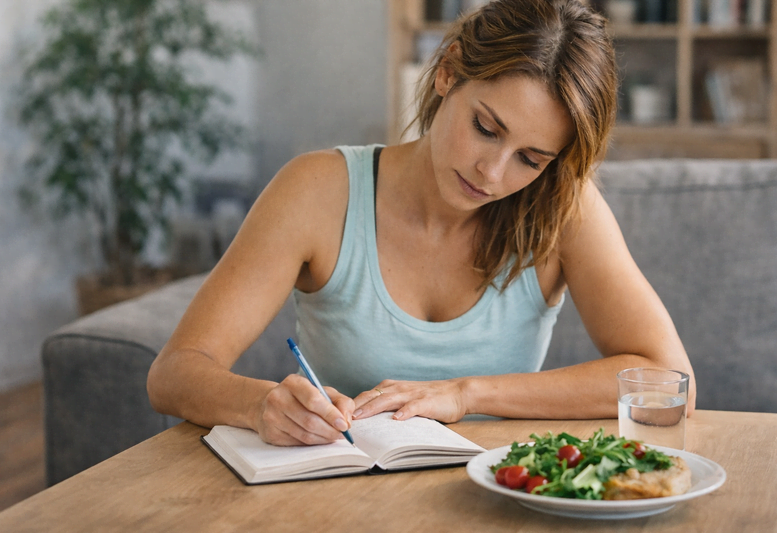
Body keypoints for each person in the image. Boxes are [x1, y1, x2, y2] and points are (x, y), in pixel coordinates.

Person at [147, 0, 695, 446]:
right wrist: (258, 403)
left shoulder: (562, 208)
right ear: (449, 71)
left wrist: (467, 394)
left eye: (531, 159)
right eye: (486, 127)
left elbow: (673, 384)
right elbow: (174, 373)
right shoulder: (318, 191)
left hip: (496, 500)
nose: (493, 172)